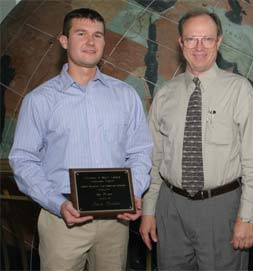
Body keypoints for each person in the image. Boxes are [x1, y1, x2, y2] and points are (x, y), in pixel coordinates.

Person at [8, 8, 152, 270]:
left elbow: (140, 151)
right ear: (64, 41)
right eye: (81, 33)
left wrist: (133, 192)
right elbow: (23, 159)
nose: (90, 41)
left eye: (98, 35)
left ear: (104, 43)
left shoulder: (126, 96)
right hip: (62, 219)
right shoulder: (39, 100)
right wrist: (57, 203)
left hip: (115, 223)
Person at [139, 9, 253, 270]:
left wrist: (247, 216)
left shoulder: (240, 90)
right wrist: (149, 209)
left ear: (218, 42)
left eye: (207, 39)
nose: (199, 47)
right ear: (180, 43)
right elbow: (155, 158)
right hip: (170, 208)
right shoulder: (165, 94)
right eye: (191, 39)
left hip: (222, 209)